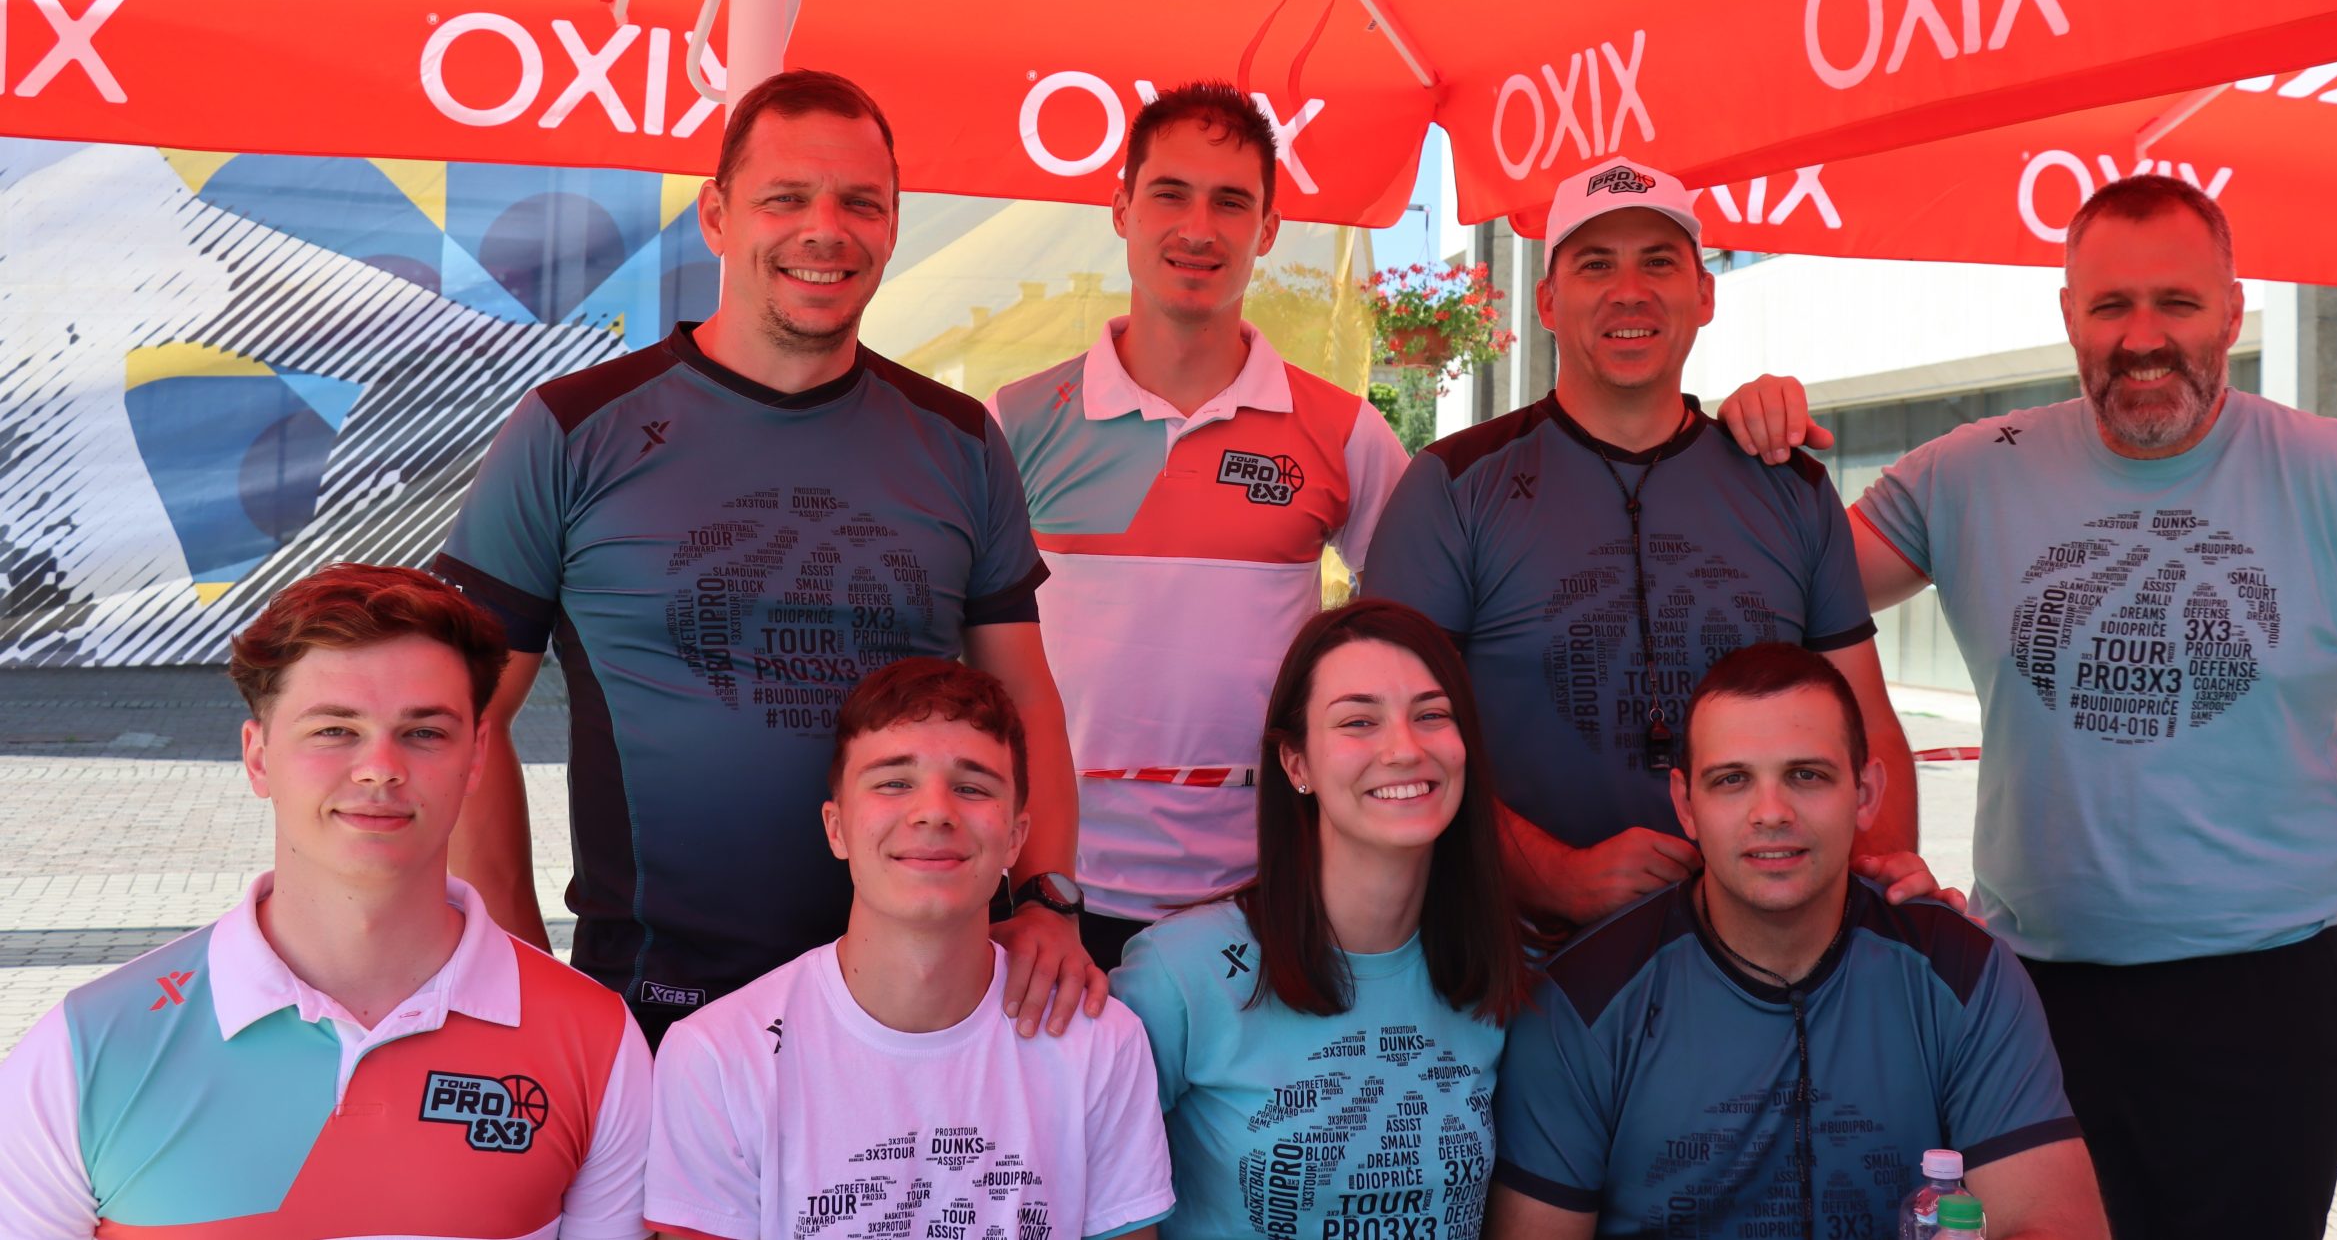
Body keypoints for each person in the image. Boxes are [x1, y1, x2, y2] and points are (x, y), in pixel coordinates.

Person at [1718, 173, 2337, 1239]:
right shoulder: (1967, 473)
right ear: (2068, 315)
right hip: (2026, 1002)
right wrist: (1745, 453)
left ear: (2232, 311)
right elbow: (1778, 590)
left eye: (2178, 302)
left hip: (2264, 1006)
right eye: (2110, 305)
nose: (2143, 337)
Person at [434, 69, 1097, 1047]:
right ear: (716, 215)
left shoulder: (960, 441)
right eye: (785, 198)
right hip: (654, 1009)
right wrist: (513, 963)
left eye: (860, 203)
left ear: (892, 224)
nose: (824, 230)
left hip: (919, 1001)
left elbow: (1026, 697)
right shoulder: (572, 430)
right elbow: (464, 714)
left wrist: (1046, 898)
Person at [0, 563, 650, 1239]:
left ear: (477, 756)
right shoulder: (87, 1045)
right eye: (334, 729)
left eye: (425, 732)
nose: (380, 768)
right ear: (258, 757)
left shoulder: (594, 1039)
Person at [1363, 155, 1920, 937]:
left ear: (1705, 294)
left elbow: (1869, 724)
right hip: (1525, 961)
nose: (1630, 290)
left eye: (1659, 261)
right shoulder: (1452, 486)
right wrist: (1557, 874)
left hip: (1765, 957)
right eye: (1596, 264)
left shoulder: (1791, 486)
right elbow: (1391, 741)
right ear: (1548, 301)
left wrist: (1880, 895)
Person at [995, 81, 1409, 968]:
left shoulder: (1344, 430)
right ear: (1121, 209)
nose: (1198, 228)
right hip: (1048, 893)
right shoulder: (1014, 421)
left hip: (1268, 890)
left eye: (1231, 202)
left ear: (1268, 228)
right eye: (1170, 193)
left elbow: (1417, 637)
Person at [1489, 643, 2103, 1240]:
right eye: (1732, 780)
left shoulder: (1962, 970)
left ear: (1865, 794)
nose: (1771, 812)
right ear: (1686, 805)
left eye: (1806, 775)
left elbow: (2057, 1223)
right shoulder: (1583, 999)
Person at [646, 658, 1174, 1240]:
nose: (935, 812)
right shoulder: (716, 1058)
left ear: (1015, 839)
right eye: (894, 782)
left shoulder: (1100, 1042)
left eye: (972, 787)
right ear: (836, 828)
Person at [1115, 600, 1531, 1240]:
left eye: (1431, 715)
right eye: (1359, 721)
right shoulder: (1178, 975)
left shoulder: (1504, 965)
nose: (1404, 748)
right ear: (1296, 765)